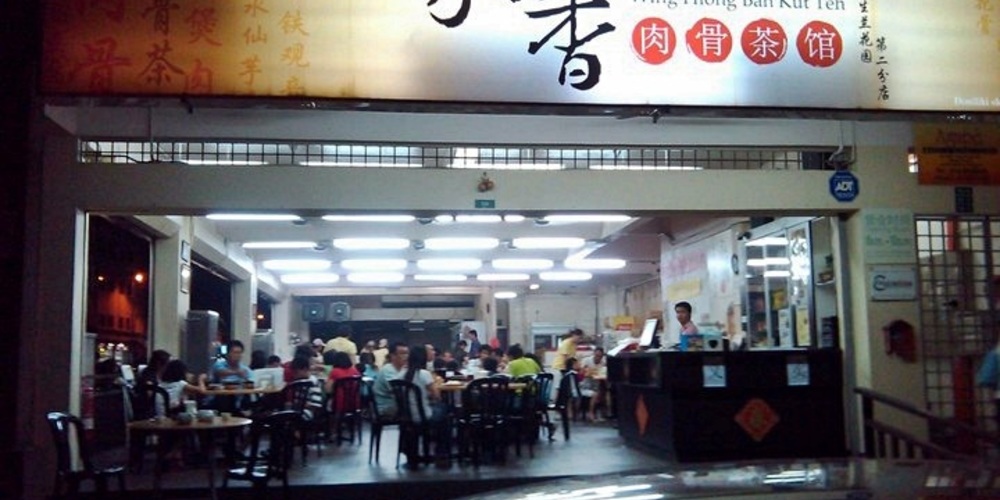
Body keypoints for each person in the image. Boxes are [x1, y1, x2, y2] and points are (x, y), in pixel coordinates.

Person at [399, 343, 448, 468]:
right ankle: (441, 453)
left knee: (440, 410)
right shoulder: (424, 374)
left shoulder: (401, 375)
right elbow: (437, 396)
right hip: (424, 415)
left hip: (406, 417)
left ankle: (411, 452)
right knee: (445, 411)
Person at [373, 342, 409, 417]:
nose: (406, 356)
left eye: (407, 353)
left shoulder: (402, 369)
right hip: (386, 407)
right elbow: (398, 391)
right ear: (392, 356)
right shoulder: (388, 370)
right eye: (402, 353)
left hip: (396, 404)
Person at [579, 347, 607, 421]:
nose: (598, 358)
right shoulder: (586, 360)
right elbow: (581, 374)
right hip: (585, 384)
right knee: (596, 393)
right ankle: (591, 413)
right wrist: (588, 373)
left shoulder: (603, 362)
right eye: (597, 355)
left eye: (600, 356)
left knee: (603, 392)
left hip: (596, 383)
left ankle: (601, 413)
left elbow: (604, 372)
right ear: (594, 354)